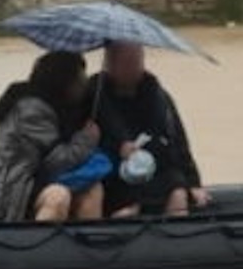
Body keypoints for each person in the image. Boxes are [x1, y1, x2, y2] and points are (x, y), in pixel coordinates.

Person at [0, 51, 104, 223]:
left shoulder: (60, 107)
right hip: (7, 193)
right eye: (79, 80)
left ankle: (89, 248)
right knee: (58, 196)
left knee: (92, 188)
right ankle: (38, 248)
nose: (83, 84)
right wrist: (87, 139)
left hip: (32, 183)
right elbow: (57, 162)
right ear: (63, 82)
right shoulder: (32, 111)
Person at [89, 41, 209, 217]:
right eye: (126, 62)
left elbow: (178, 141)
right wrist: (116, 147)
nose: (134, 68)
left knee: (178, 190)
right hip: (113, 173)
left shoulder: (157, 95)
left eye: (137, 61)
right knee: (125, 204)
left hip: (154, 169)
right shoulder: (94, 97)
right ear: (109, 63)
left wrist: (193, 183)